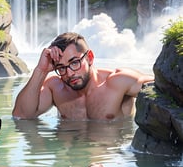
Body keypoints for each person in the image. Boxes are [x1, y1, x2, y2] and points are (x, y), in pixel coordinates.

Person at [12, 32, 154, 121]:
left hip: (111, 160)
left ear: (90, 57)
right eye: (61, 68)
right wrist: (41, 70)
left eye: (74, 63)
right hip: (68, 160)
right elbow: (21, 115)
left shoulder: (118, 82)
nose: (69, 73)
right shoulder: (56, 88)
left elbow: (161, 86)